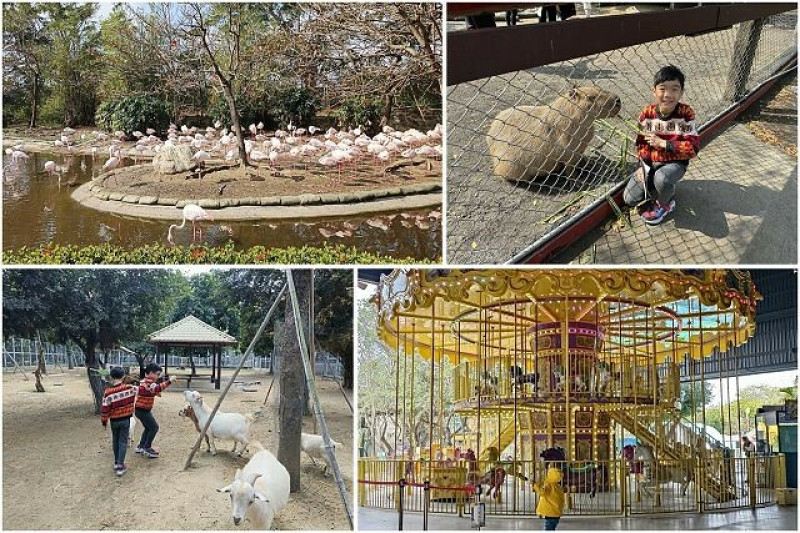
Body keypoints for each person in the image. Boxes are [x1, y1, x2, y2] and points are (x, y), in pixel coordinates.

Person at [623, 65, 699, 225]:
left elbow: (692, 149)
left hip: (674, 163)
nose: (668, 95)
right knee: (629, 198)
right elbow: (642, 143)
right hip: (651, 163)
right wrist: (641, 167)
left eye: (675, 89)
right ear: (654, 91)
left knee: (663, 178)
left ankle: (665, 203)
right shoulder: (647, 113)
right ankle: (656, 185)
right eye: (662, 89)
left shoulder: (686, 113)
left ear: (681, 92)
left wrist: (665, 143)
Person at [100, 367, 137, 477]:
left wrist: (104, 421)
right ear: (123, 376)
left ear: (111, 377)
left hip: (114, 421)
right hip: (125, 419)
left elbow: (105, 408)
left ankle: (116, 463)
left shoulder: (108, 392)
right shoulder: (130, 388)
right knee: (123, 442)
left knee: (115, 441)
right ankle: (120, 466)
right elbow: (142, 390)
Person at [134, 363, 176, 458]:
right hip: (142, 410)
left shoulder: (147, 381)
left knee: (148, 428)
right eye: (157, 374)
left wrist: (155, 392)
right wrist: (170, 381)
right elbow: (156, 388)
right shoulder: (147, 382)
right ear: (150, 373)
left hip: (141, 410)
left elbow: (153, 390)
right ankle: (147, 448)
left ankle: (141, 446)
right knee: (154, 427)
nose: (158, 376)